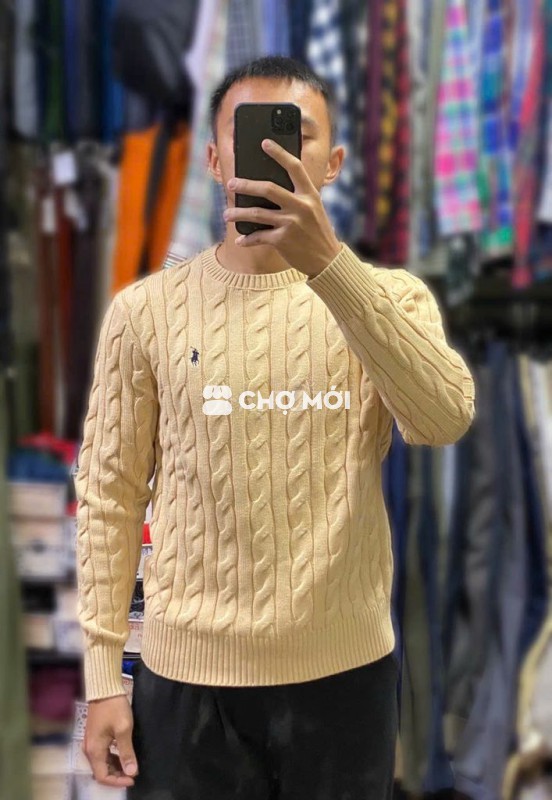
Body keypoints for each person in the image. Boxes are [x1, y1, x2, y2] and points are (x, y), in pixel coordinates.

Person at [76, 55, 476, 800]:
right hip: (187, 682)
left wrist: (330, 268)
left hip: (345, 676)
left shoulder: (390, 299)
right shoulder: (145, 312)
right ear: (214, 159)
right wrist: (103, 678)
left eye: (294, 135)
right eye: (248, 135)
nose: (269, 153)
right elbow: (108, 497)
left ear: (333, 163)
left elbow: (444, 418)